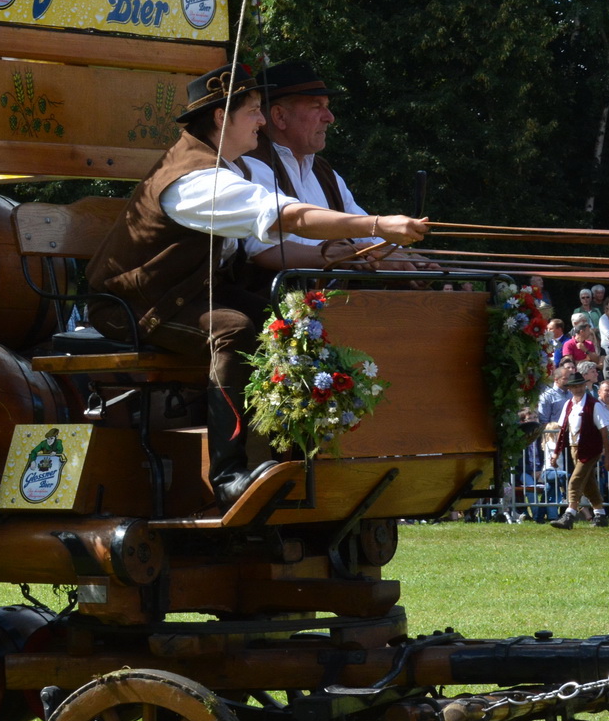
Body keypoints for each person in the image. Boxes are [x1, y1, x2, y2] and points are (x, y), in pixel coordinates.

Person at [85, 62, 429, 508]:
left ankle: (296, 454)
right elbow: (290, 217)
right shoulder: (196, 179)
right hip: (132, 304)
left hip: (186, 292)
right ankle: (227, 474)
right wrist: (380, 224)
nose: (262, 121)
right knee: (231, 329)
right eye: (252, 111)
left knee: (295, 324)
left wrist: (370, 248)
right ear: (220, 118)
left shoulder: (226, 168)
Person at [230, 59, 428, 273]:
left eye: (327, 107)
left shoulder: (324, 172)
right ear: (279, 116)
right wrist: (352, 254)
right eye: (317, 107)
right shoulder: (250, 164)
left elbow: (364, 229)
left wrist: (412, 260)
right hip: (271, 302)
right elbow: (263, 250)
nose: (330, 118)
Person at [547, 367, 609, 528]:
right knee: (589, 484)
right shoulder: (568, 404)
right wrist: (555, 454)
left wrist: (608, 457)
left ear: (584, 386)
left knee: (575, 481)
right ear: (570, 388)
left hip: (590, 449)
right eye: (574, 386)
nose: (578, 389)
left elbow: (603, 431)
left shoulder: (594, 404)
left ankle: (569, 516)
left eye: (580, 385)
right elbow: (562, 429)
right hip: (574, 448)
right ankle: (600, 516)